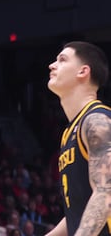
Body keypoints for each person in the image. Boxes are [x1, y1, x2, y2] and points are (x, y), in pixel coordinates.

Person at [46, 41, 111, 236]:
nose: (52, 65)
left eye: (62, 60)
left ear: (83, 72)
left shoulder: (97, 121)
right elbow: (78, 213)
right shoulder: (69, 133)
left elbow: (106, 191)